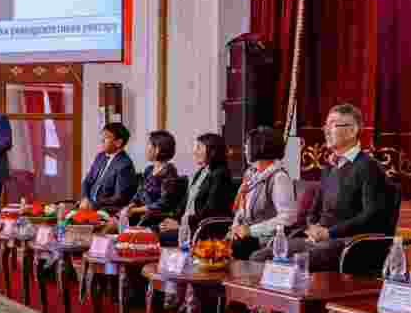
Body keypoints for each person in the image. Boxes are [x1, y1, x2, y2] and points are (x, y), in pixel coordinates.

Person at [250, 103, 393, 273]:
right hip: (318, 240)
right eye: (326, 125)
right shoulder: (329, 167)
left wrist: (329, 233)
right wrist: (312, 227)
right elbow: (314, 210)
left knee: (285, 262)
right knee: (259, 257)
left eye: (333, 125)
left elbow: (371, 217)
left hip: (348, 244)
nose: (326, 131)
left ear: (352, 131)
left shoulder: (369, 167)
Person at [228, 126, 297, 261]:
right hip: (245, 237)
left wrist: (251, 230)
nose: (245, 149)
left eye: (247, 145)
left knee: (230, 249)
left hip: (265, 239)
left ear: (261, 146)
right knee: (216, 246)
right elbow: (241, 210)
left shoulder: (279, 177)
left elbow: (288, 217)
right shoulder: (251, 174)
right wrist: (236, 228)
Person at [158, 133, 235, 246]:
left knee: (156, 237)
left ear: (212, 151)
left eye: (199, 147)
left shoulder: (221, 175)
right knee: (153, 230)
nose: (194, 151)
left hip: (203, 229)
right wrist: (172, 220)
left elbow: (211, 211)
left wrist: (180, 224)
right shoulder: (201, 172)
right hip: (188, 225)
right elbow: (185, 204)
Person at [117, 130, 182, 228]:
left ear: (158, 149)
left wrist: (135, 210)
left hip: (153, 218)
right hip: (138, 215)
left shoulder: (169, 172)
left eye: (148, 145)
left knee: (114, 223)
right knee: (113, 220)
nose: (146, 148)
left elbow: (163, 203)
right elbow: (139, 194)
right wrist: (131, 205)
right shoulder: (149, 170)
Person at [80, 123, 137, 213]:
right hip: (88, 206)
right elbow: (87, 181)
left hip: (106, 210)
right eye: (102, 137)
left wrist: (94, 204)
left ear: (118, 143)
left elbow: (119, 198)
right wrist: (85, 198)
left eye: (106, 137)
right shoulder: (100, 157)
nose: (102, 140)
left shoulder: (125, 165)